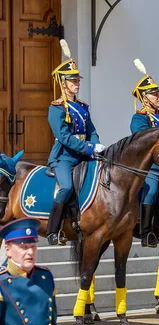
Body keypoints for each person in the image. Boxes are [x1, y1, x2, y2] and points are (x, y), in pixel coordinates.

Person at [47, 40, 105, 246]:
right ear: (63, 84)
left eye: (77, 80)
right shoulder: (56, 108)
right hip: (64, 157)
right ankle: (52, 230)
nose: (77, 83)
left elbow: (91, 130)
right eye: (73, 81)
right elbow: (64, 137)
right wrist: (88, 147)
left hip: (84, 155)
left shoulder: (82, 107)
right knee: (67, 187)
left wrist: (97, 145)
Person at [130, 58, 159, 247]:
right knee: (152, 190)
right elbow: (143, 145)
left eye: (158, 93)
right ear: (144, 98)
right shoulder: (139, 119)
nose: (158, 97)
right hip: (151, 167)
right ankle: (146, 232)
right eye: (154, 94)